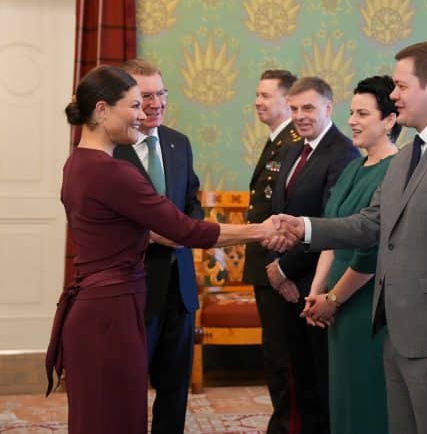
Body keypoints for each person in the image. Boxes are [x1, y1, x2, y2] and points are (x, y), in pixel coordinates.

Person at [44, 65, 291, 434]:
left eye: (156, 98)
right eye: (134, 105)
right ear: (102, 110)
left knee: (99, 415)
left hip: (96, 306)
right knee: (117, 417)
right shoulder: (113, 172)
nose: (143, 114)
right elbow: (187, 229)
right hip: (113, 310)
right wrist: (262, 229)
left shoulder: (76, 164)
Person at [270, 41, 427, 434]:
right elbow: (371, 224)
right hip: (393, 333)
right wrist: (305, 227)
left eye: (401, 86)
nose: (394, 95)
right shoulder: (407, 156)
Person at [301, 75, 400, 434]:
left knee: (366, 399)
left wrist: (333, 298)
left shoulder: (396, 171)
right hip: (336, 303)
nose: (352, 121)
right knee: (341, 399)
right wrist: (316, 292)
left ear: (389, 121)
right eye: (352, 113)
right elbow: (332, 233)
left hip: (365, 303)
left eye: (363, 114)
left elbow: (372, 251)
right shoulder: (353, 168)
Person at [266, 76, 359, 433]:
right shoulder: (292, 149)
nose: (300, 116)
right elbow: (280, 212)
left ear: (328, 107)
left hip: (318, 283)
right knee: (299, 378)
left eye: (308, 108)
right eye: (294, 109)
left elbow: (329, 223)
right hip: (288, 282)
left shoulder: (344, 153)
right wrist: (278, 268)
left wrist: (286, 270)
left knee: (322, 383)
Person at [112, 58, 199, 434]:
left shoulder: (179, 142)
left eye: (161, 93)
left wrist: (187, 230)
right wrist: (151, 234)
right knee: (127, 390)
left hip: (180, 286)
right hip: (135, 287)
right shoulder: (112, 149)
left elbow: (192, 200)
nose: (156, 103)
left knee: (175, 389)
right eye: (145, 96)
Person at [243, 69, 300, 434]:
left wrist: (283, 267)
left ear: (287, 100)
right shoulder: (278, 140)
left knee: (283, 356)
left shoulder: (293, 142)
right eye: (257, 95)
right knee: (274, 353)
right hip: (264, 264)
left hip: (277, 265)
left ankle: (286, 425)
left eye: (265, 96)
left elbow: (289, 212)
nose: (257, 102)